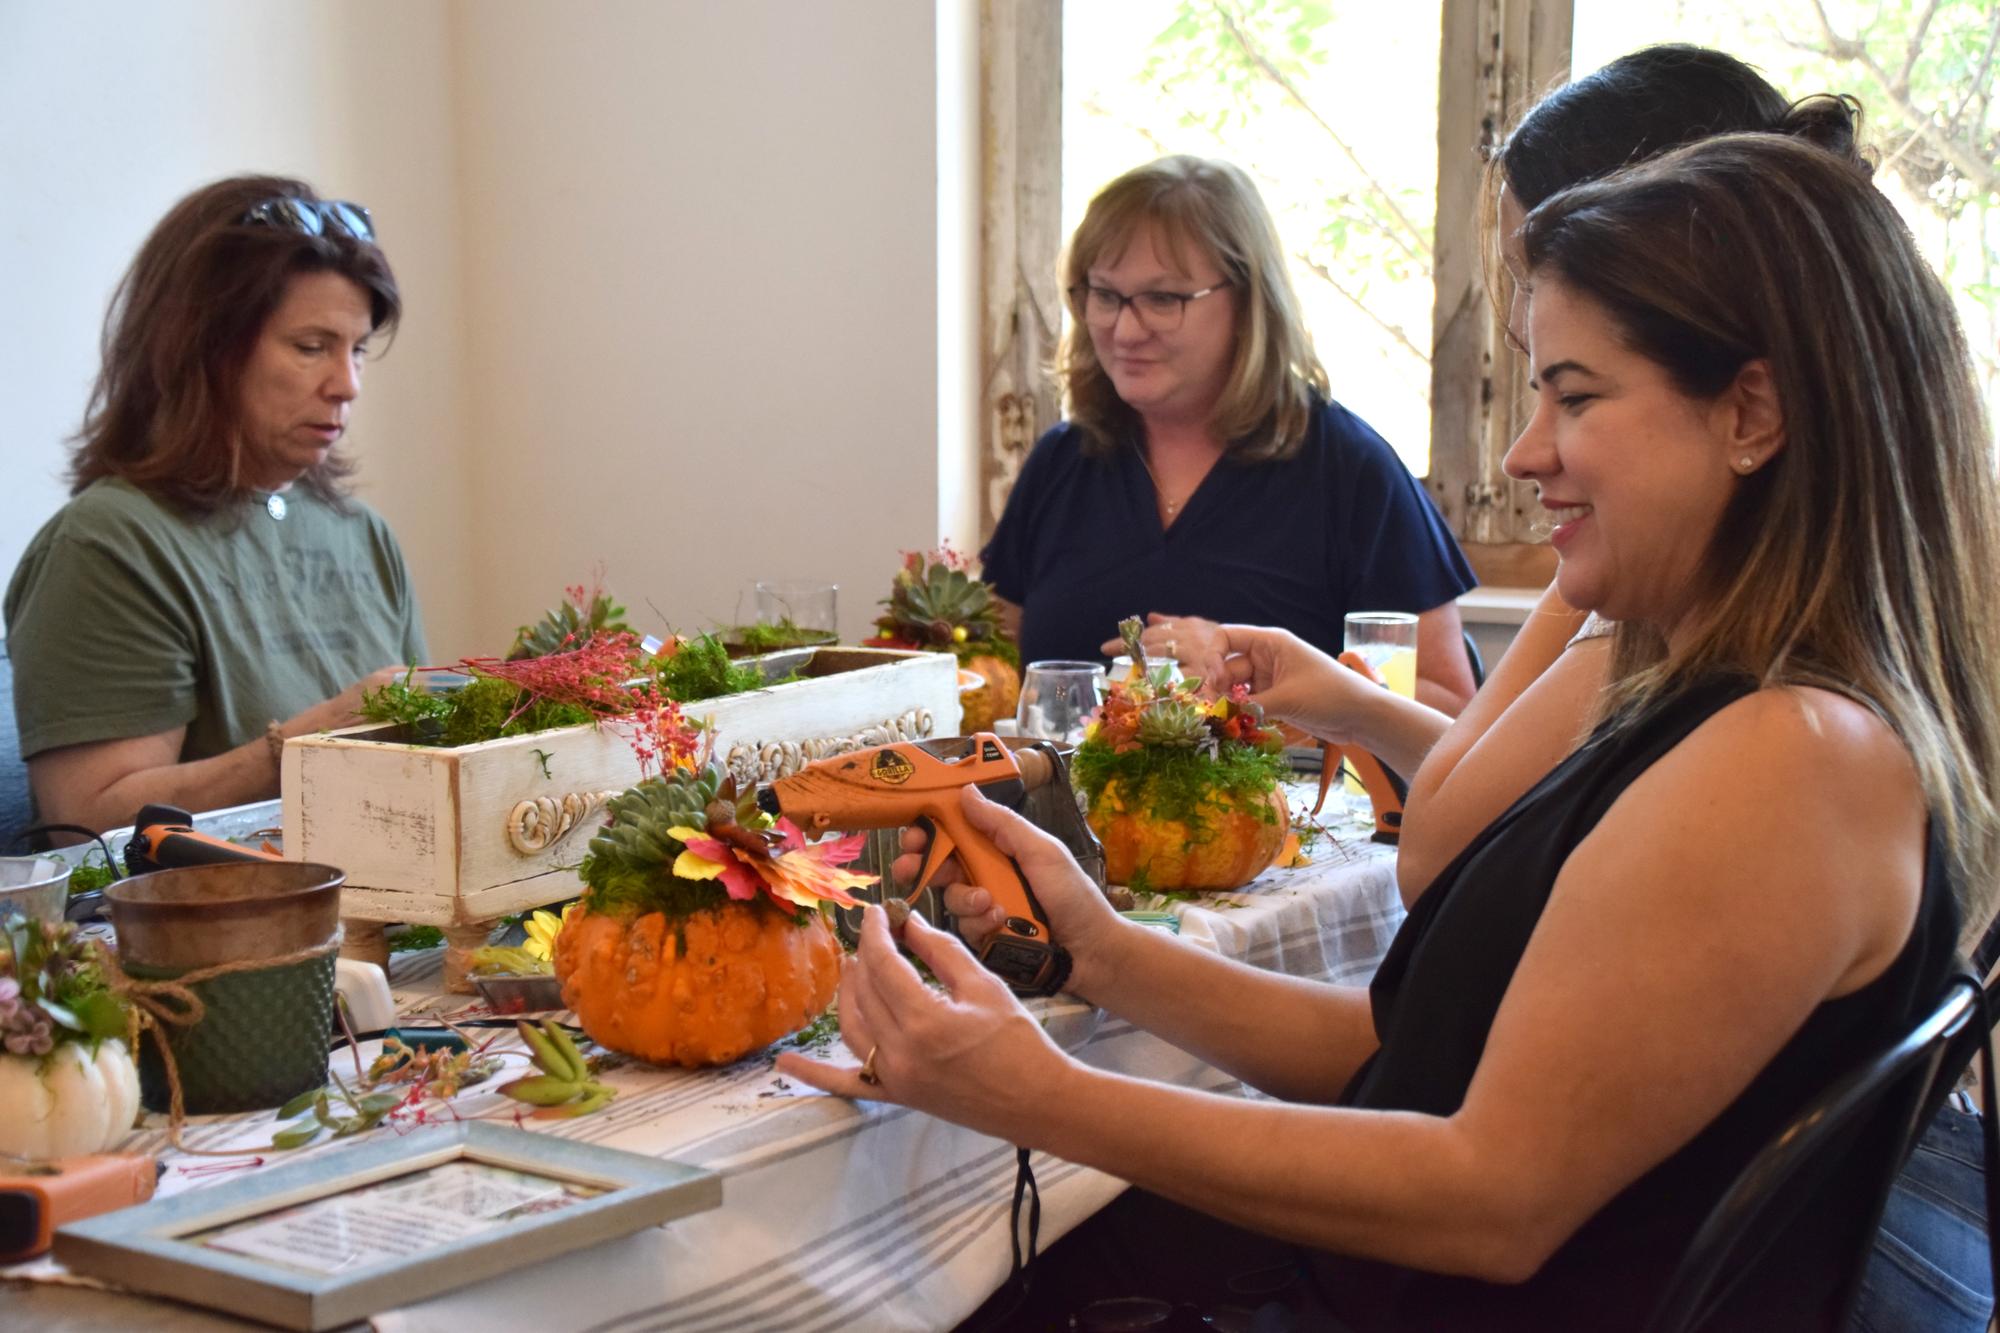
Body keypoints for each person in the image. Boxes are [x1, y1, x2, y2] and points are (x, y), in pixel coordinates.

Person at [780, 131, 2000, 1330]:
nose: (1524, 453)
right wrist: (1100, 952)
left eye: (1572, 396)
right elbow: (1405, 1052)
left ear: (1752, 413)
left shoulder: (1788, 758)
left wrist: (1035, 1092)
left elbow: (1487, 1196)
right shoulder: (1702, 701)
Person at [978, 155, 1479, 716]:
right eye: (1105, 295)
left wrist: (1244, 683)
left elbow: (1447, 708)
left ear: (1247, 302)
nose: (1124, 329)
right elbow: (993, 669)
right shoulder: (1062, 461)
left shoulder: (1350, 469)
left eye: (1163, 299)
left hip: (1286, 803)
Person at [4, 175, 426, 835]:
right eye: (311, 347)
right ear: (203, 350)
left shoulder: (362, 535)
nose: (346, 384)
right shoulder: (110, 544)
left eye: (359, 350)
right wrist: (302, 746)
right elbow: (90, 828)